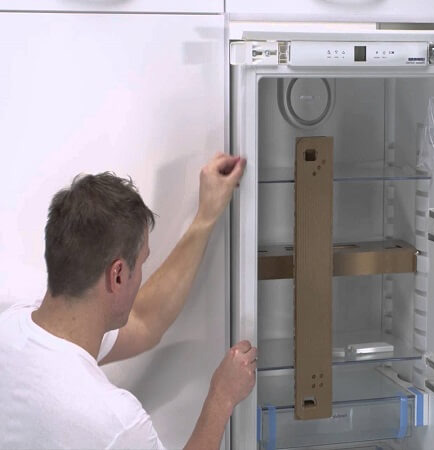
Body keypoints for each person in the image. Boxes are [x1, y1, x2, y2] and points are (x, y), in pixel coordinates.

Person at [0, 153, 254, 450]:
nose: (141, 274)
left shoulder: (11, 327)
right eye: (142, 262)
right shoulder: (113, 422)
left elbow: (145, 321)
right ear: (118, 275)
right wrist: (221, 399)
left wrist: (205, 217)